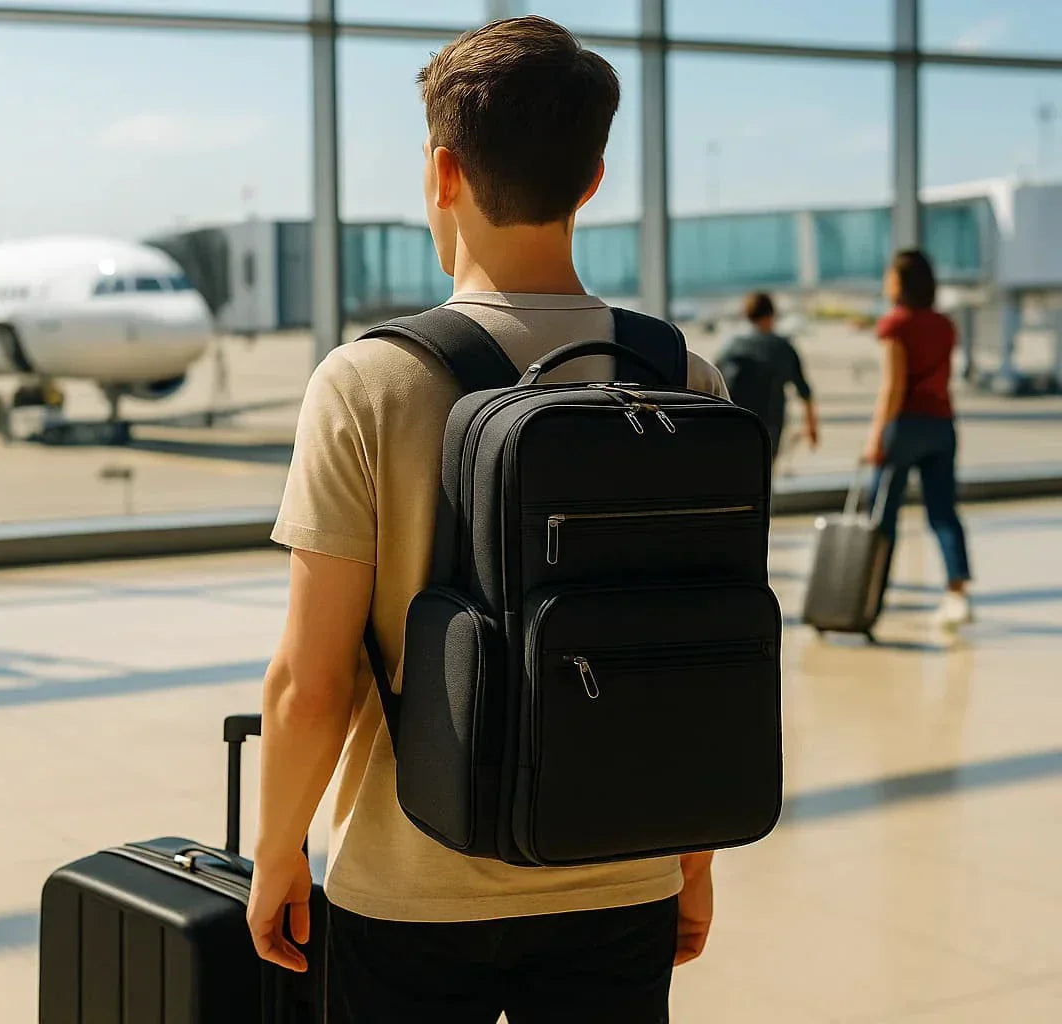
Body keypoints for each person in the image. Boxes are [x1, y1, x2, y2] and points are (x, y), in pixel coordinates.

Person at [248, 17, 728, 1022]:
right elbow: (695, 646)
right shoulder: (681, 377)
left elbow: (311, 677)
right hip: (619, 874)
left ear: (441, 170)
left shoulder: (367, 381)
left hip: (412, 886)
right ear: (594, 179)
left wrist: (278, 847)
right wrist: (689, 855)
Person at [864, 249, 973, 629]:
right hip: (942, 424)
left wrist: (876, 436)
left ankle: (869, 596)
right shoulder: (945, 325)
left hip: (905, 425)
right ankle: (957, 593)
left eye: (889, 274)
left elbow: (892, 387)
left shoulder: (895, 325)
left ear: (900, 282)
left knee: (881, 515)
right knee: (943, 512)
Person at [715, 291, 819, 465]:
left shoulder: (731, 347)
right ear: (771, 315)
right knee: (764, 478)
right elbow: (804, 391)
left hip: (734, 426)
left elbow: (713, 387)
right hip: (769, 428)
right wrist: (811, 428)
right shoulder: (782, 347)